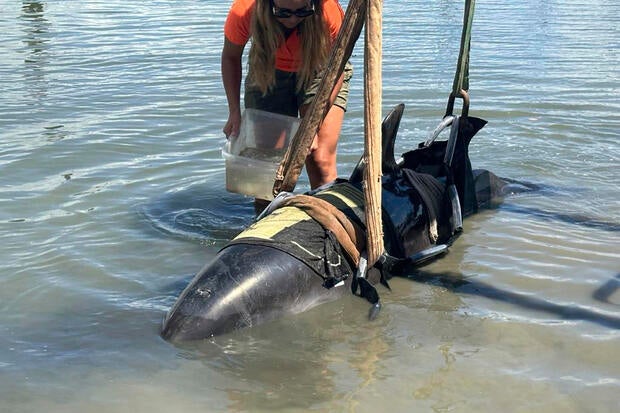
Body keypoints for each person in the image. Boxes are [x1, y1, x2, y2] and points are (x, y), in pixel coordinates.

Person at [221, 0, 352, 195]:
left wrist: (312, 126)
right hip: (267, 71)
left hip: (322, 69)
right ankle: (265, 216)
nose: (293, 19)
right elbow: (231, 57)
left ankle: (325, 215)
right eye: (282, 12)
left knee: (319, 159)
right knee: (266, 166)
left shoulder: (328, 12)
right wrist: (234, 112)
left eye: (302, 12)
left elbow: (337, 68)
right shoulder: (244, 10)